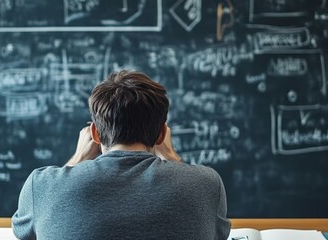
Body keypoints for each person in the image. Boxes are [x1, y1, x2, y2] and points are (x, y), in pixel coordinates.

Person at [12, 70, 230, 239]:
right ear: (162, 134)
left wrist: (77, 158)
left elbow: (26, 232)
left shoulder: (41, 186)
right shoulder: (207, 185)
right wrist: (171, 156)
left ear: (95, 133)